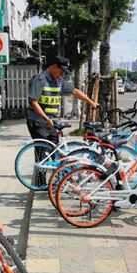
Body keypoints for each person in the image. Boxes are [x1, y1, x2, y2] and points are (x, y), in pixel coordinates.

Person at [27, 55, 97, 186]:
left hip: (49, 121)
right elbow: (33, 102)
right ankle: (40, 184)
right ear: (54, 67)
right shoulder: (40, 80)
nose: (62, 74)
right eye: (61, 71)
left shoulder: (58, 81)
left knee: (55, 149)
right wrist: (46, 118)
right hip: (37, 121)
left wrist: (91, 102)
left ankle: (58, 178)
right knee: (42, 151)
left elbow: (74, 91)